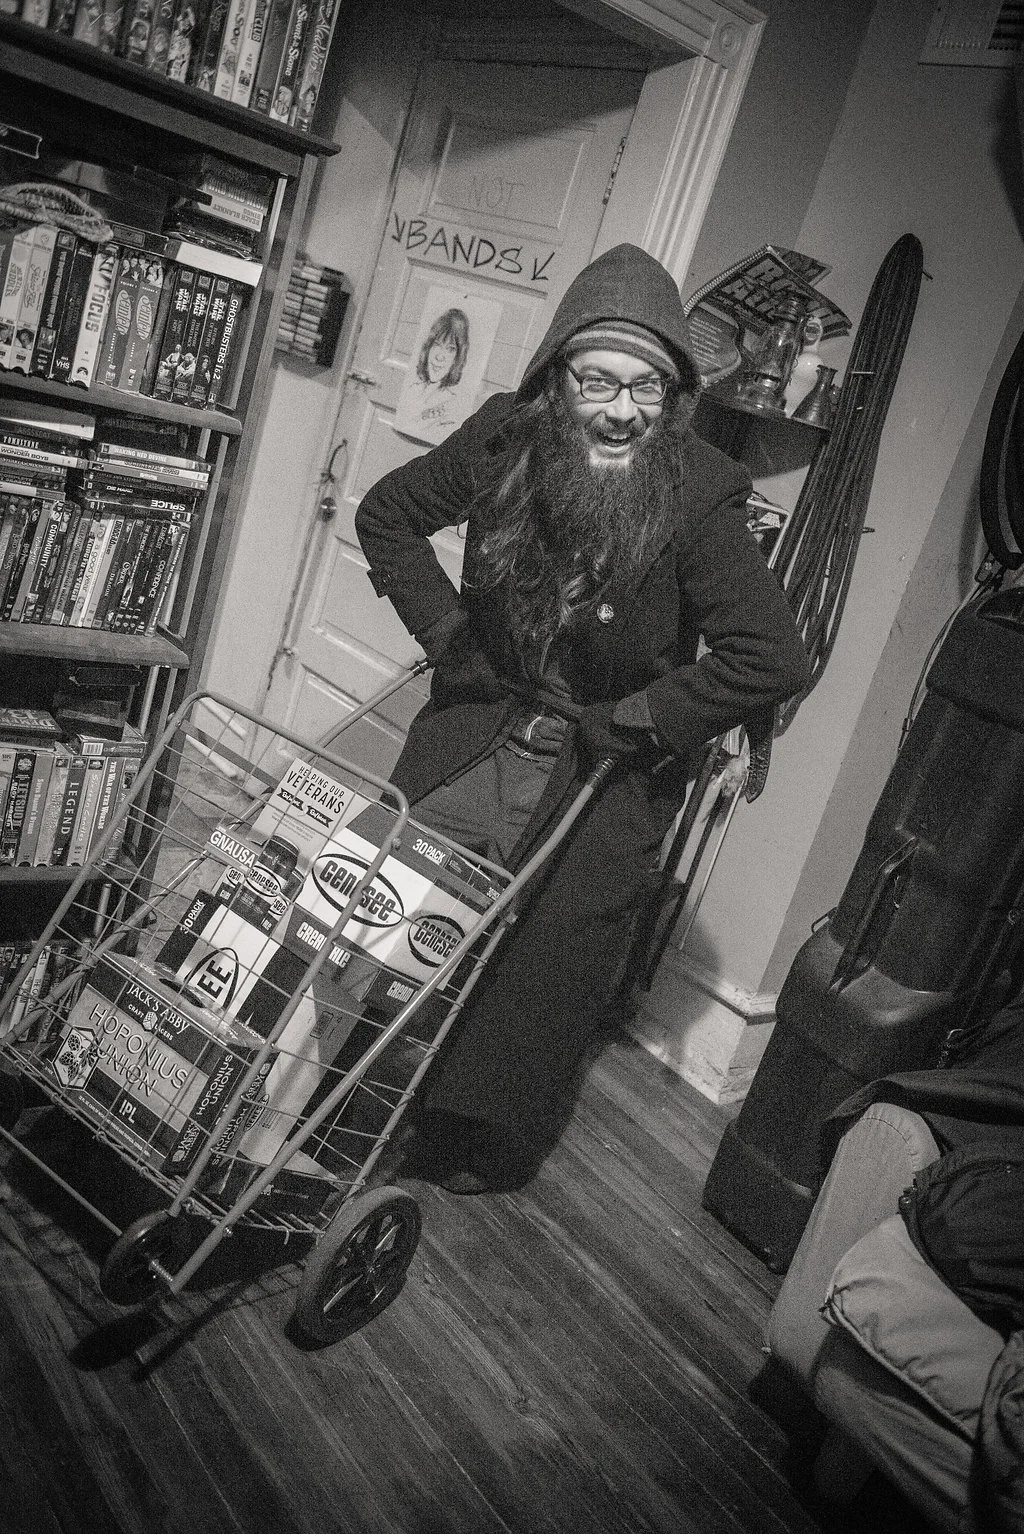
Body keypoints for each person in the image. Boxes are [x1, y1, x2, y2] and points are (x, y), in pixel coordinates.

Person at [355, 242, 810, 1194]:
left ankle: (474, 1131)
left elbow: (771, 657)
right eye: (598, 380)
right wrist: (448, 634)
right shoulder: (501, 439)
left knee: (545, 964)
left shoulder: (699, 493)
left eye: (648, 387)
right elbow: (388, 516)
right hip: (482, 724)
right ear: (555, 379)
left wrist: (639, 719)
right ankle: (332, 1072)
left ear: (674, 396)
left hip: (605, 765)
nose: (621, 409)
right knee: (382, 898)